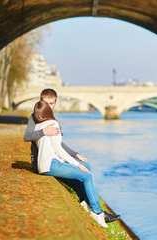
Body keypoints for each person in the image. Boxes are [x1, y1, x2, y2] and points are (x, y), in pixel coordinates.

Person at [23, 89, 119, 227]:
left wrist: (75, 154)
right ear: (40, 102)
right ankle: (97, 213)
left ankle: (86, 204)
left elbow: (57, 144)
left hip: (51, 160)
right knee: (86, 174)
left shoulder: (48, 120)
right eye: (45, 103)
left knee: (85, 169)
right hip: (45, 161)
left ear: (55, 102)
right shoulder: (35, 117)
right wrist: (44, 131)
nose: (48, 106)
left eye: (51, 103)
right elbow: (27, 137)